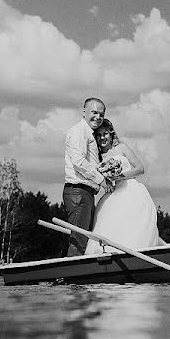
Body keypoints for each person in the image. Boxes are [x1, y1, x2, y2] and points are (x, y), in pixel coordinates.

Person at [84, 119, 161, 255]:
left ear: (111, 133)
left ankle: (134, 251)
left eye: (105, 133)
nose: (102, 137)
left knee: (132, 223)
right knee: (111, 223)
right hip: (112, 193)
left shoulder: (121, 148)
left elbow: (140, 169)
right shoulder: (98, 157)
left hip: (130, 189)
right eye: (99, 135)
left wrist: (120, 176)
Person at [64, 97, 114, 256]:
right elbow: (78, 161)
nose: (98, 117)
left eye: (101, 114)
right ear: (84, 111)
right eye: (94, 112)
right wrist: (101, 180)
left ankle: (76, 276)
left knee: (84, 237)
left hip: (85, 192)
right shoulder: (79, 131)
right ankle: (71, 277)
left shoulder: (90, 134)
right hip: (78, 192)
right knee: (79, 239)